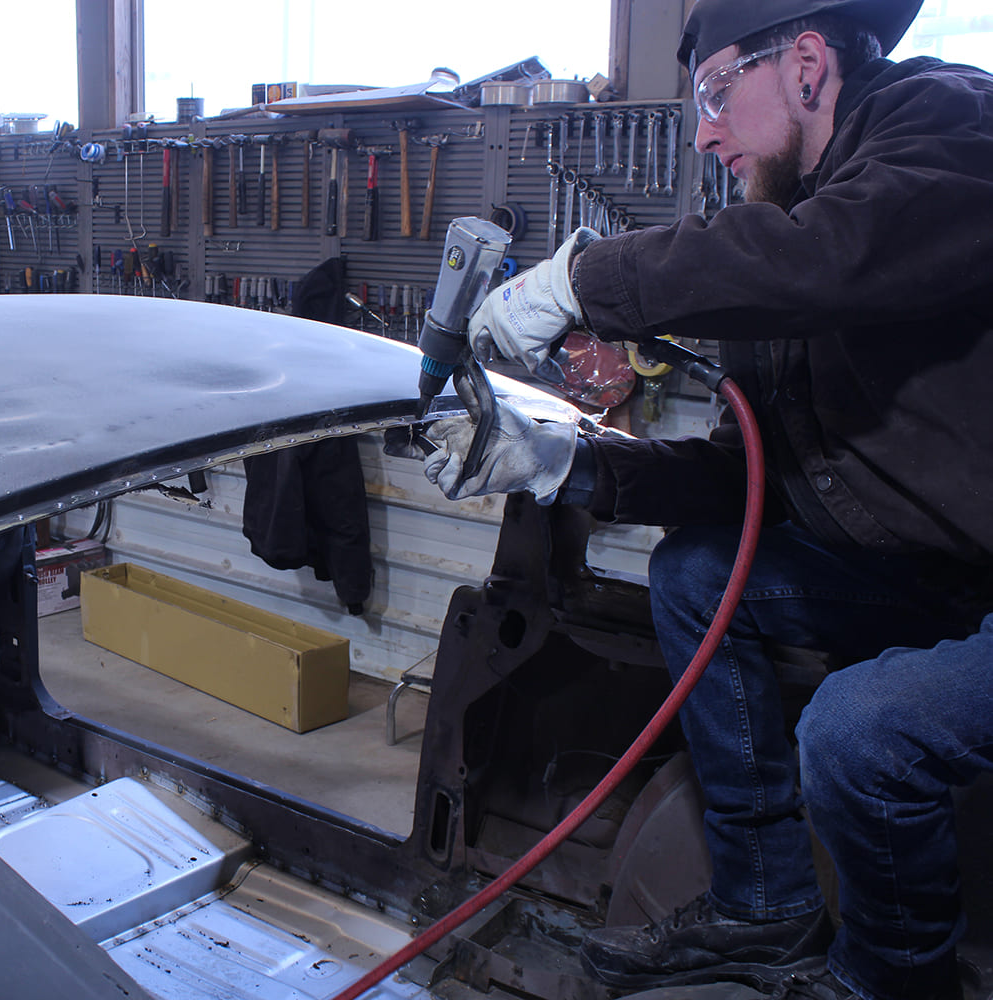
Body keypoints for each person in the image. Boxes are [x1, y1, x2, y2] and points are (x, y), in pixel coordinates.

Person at [423, 0, 993, 998]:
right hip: (938, 575)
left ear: (807, 64)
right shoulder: (779, 245)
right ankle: (763, 902)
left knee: (859, 731)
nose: (704, 133)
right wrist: (561, 463)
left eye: (718, 92)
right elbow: (747, 472)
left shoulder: (948, 126)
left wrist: (584, 281)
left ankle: (891, 981)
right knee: (696, 570)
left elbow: (834, 257)